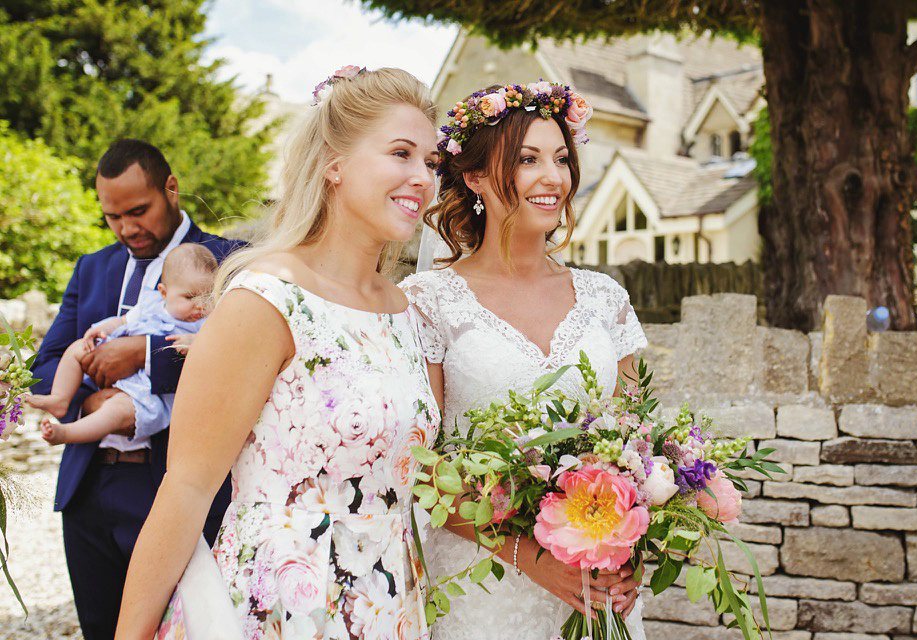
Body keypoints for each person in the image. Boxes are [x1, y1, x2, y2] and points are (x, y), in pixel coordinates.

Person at [115, 66, 442, 640]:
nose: (422, 177)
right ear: (333, 165)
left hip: (390, 604)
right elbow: (187, 489)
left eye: (431, 163)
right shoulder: (265, 298)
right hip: (283, 607)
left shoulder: (407, 311)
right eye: (401, 153)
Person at [401, 82, 649, 639]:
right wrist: (530, 557)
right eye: (527, 160)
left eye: (561, 158)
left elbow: (638, 450)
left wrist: (630, 545)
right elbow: (421, 466)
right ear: (475, 177)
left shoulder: (605, 298)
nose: (553, 178)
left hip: (595, 586)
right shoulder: (427, 301)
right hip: (481, 585)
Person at [30, 139, 239, 640]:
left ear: (171, 189)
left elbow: (240, 362)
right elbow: (47, 364)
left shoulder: (230, 260)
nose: (127, 228)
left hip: (174, 485)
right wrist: (94, 398)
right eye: (112, 217)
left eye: (138, 211)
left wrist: (143, 355)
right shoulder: (92, 267)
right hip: (88, 490)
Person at [28, 243, 217, 446]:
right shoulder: (151, 304)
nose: (200, 305)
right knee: (77, 348)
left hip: (148, 394)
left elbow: (217, 346)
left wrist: (195, 341)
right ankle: (60, 399)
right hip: (118, 372)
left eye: (207, 296)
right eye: (190, 297)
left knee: (115, 410)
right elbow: (123, 321)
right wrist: (99, 329)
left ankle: (66, 434)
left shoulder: (208, 321)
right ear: (163, 292)